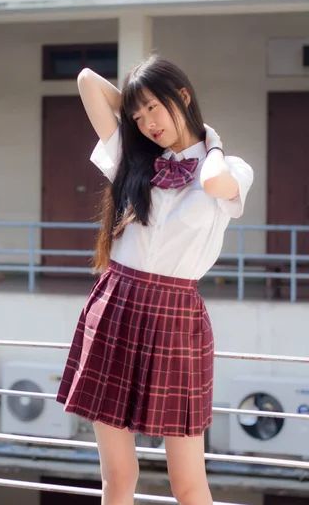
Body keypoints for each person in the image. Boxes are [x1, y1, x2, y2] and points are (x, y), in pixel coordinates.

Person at [56, 55, 253, 505]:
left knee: (188, 483)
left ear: (182, 97)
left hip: (176, 317)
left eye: (154, 109)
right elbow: (87, 81)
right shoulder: (136, 160)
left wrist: (212, 143)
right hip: (117, 305)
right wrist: (134, 104)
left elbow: (215, 181)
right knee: (118, 477)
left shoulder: (232, 167)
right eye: (137, 114)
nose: (146, 123)